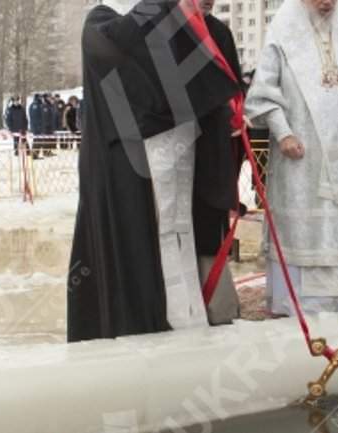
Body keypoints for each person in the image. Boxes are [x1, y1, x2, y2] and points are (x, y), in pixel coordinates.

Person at [67, 0, 240, 342]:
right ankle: (140, 329)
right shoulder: (102, 20)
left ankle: (187, 320)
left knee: (179, 238)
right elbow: (133, 69)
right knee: (137, 246)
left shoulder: (173, 20)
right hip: (126, 164)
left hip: (177, 160)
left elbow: (197, 88)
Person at [244, 0, 338, 315]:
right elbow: (262, 93)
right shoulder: (284, 27)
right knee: (305, 232)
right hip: (302, 157)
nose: (327, 3)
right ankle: (298, 304)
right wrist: (283, 133)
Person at [191, 0, 244, 324]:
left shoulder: (219, 32)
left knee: (209, 223)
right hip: (173, 145)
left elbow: (233, 88)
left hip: (211, 146)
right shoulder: (163, 30)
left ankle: (216, 304)